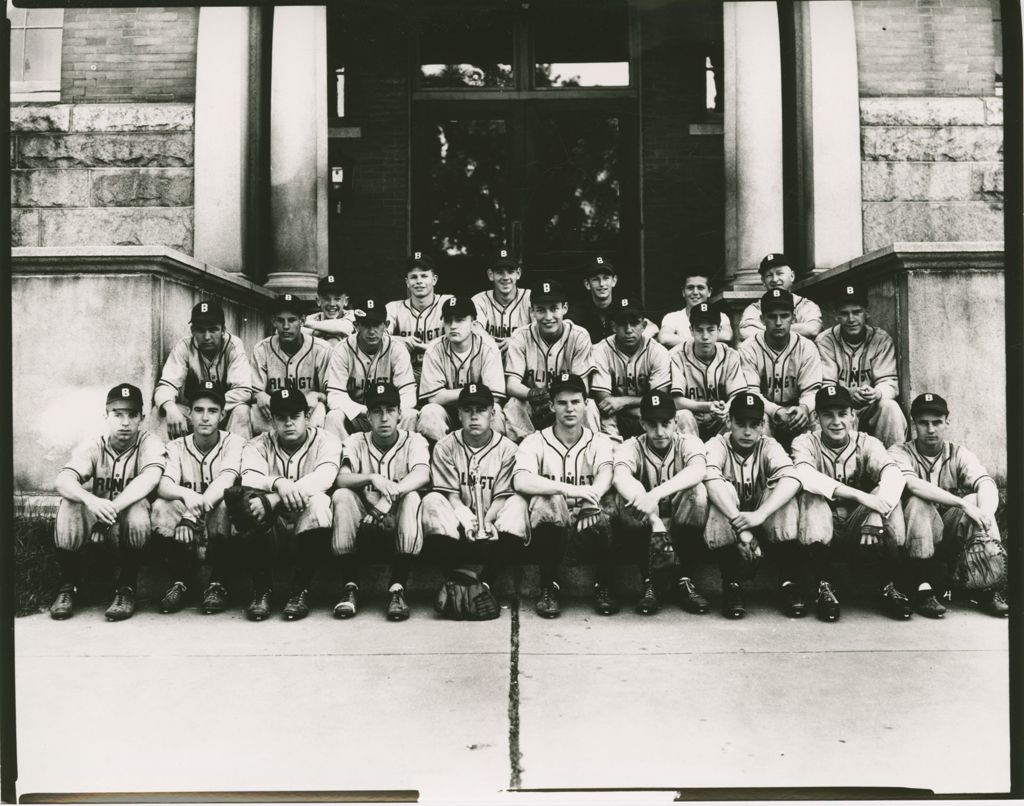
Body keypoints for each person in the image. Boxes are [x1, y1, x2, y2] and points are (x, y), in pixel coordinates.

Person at [793, 384, 912, 622]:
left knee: (890, 499)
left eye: (842, 414)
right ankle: (823, 586)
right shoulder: (804, 442)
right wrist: (860, 496)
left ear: (853, 416)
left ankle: (888, 586)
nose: (836, 421)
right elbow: (805, 475)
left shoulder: (868, 442)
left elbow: (894, 474)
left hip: (862, 528)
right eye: (828, 414)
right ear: (817, 418)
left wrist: (876, 510)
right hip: (826, 525)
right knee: (811, 497)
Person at [49, 383, 166, 621]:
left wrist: (109, 511)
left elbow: (150, 478)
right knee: (71, 502)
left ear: (141, 418)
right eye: (117, 414)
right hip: (96, 533)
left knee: (137, 506)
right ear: (106, 415)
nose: (125, 422)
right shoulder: (95, 443)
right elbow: (63, 480)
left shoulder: (149, 442)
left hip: (128, 532)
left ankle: (127, 587)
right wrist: (90, 500)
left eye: (132, 415)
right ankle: (67, 586)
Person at [888, 393, 1007, 618]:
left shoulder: (959, 453)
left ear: (947, 422)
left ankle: (987, 587)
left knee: (977, 502)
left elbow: (986, 483)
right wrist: (962, 504)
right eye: (923, 423)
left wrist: (986, 515)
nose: (930, 429)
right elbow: (914, 485)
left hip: (949, 535)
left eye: (937, 422)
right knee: (918, 503)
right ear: (914, 424)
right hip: (914, 538)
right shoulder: (899, 452)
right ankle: (922, 587)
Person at [510, 372, 617, 618]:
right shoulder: (535, 441)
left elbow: (607, 472)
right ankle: (549, 586)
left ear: (586, 405)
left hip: (589, 526)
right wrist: (568, 489)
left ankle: (604, 585)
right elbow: (520, 479)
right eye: (562, 402)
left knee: (610, 504)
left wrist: (592, 498)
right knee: (547, 499)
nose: (569, 409)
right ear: (551, 405)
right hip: (552, 529)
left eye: (575, 402)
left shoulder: (599, 441)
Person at [233, 387, 342, 622]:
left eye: (295, 416)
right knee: (246, 502)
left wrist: (274, 497)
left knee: (321, 502)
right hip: (274, 529)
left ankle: (299, 589)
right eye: (281, 417)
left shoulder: (327, 441)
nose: (289, 423)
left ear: (307, 416)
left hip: (308, 529)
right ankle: (262, 589)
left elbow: (325, 477)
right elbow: (250, 477)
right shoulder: (257, 444)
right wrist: (279, 483)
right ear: (272, 420)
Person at [331, 382, 432, 621]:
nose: (384, 418)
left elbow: (422, 474)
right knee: (341, 496)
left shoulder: (415, 440)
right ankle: (350, 587)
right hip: (363, 527)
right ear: (368, 416)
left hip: (399, 526)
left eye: (390, 410)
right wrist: (372, 478)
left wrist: (389, 496)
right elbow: (341, 479)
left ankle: (398, 588)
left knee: (412, 496)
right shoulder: (356, 441)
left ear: (400, 413)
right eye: (377, 411)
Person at [700, 393, 805, 619]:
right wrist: (743, 528)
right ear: (728, 422)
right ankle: (732, 583)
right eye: (740, 424)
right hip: (734, 526)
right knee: (720, 493)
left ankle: (789, 582)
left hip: (763, 522)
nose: (747, 432)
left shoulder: (769, 445)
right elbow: (708, 477)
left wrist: (761, 514)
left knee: (783, 495)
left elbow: (793, 479)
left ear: (763, 425)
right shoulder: (716, 444)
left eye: (754, 424)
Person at [150, 381, 245, 615]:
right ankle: (179, 581)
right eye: (199, 410)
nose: (205, 417)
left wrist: (191, 514)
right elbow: (163, 485)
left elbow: (226, 480)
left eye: (212, 411)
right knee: (163, 505)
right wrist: (187, 496)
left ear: (222, 415)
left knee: (225, 502)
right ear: (188, 414)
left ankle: (217, 583)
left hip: (214, 523)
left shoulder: (234, 443)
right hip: (186, 527)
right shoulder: (175, 446)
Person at [611, 391, 709, 615]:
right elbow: (620, 476)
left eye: (665, 423)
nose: (660, 431)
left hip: (680, 520)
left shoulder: (688, 442)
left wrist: (653, 495)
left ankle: (685, 579)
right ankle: (649, 583)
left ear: (675, 422)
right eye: (652, 424)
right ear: (642, 423)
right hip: (649, 526)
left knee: (698, 493)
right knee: (626, 499)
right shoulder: (631, 446)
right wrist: (653, 517)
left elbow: (698, 470)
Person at [420, 383, 520, 598]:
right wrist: (469, 521)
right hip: (458, 531)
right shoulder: (445, 446)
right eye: (468, 410)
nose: (474, 416)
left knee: (519, 504)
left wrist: (486, 522)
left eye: (481, 410)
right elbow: (452, 497)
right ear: (458, 414)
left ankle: (485, 584)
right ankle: (454, 581)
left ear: (492, 414)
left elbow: (503, 498)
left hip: (495, 534)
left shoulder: (508, 449)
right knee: (432, 500)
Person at [503, 279, 600, 441]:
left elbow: (582, 388)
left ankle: (587, 449)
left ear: (565, 308)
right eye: (541, 310)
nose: (548, 317)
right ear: (532, 312)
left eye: (554, 308)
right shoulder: (520, 336)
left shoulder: (579, 336)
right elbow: (512, 384)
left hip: (565, 402)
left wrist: (554, 399)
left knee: (588, 406)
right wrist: (532, 393)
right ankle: (523, 452)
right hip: (534, 405)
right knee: (514, 405)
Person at [815, 283, 907, 447]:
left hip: (870, 409)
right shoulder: (825, 341)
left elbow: (890, 382)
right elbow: (825, 386)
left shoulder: (881, 339)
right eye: (844, 313)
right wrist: (846, 394)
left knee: (890, 407)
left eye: (856, 312)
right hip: (838, 410)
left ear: (867, 313)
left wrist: (876, 393)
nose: (851, 319)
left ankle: (894, 463)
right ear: (836, 316)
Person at [151, 300, 252, 440]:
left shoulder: (233, 346)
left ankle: (237, 459)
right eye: (201, 330)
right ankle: (158, 461)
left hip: (223, 411)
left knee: (242, 410)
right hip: (193, 413)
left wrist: (211, 407)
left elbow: (243, 390)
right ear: (192, 330)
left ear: (223, 330)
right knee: (159, 412)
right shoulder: (184, 347)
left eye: (213, 329)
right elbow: (166, 385)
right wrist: (170, 407)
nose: (207, 336)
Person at [738, 289, 822, 449]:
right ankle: (764, 468)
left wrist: (804, 408)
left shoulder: (807, 347)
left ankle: (815, 466)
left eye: (784, 316)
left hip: (797, 410)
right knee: (757, 416)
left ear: (793, 318)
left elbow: (812, 391)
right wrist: (776, 411)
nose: (778, 322)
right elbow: (750, 393)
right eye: (772, 316)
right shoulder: (748, 348)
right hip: (765, 409)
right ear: (762, 319)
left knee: (816, 415)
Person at [325, 295, 418, 439]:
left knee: (410, 414)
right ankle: (344, 459)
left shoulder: (397, 349)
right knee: (333, 417)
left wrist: (387, 413)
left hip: (388, 417)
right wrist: (366, 411)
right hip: (357, 417)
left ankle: (400, 455)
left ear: (386, 325)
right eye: (366, 324)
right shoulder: (342, 349)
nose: (372, 330)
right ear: (356, 326)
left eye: (376, 324)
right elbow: (335, 396)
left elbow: (408, 395)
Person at [417, 296, 507, 442]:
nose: (453, 326)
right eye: (448, 320)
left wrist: (451, 395)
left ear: (474, 324)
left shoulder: (489, 348)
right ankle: (438, 457)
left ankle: (490, 459)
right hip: (448, 413)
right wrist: (476, 390)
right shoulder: (434, 349)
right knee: (430, 412)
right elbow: (434, 398)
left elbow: (494, 396)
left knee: (495, 411)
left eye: (459, 319)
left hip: (478, 411)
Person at [590, 297, 672, 442]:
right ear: (613, 326)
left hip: (648, 414)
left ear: (644, 325)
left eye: (634, 323)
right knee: (600, 414)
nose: (628, 330)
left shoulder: (658, 352)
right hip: (615, 416)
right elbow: (604, 401)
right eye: (622, 324)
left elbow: (659, 399)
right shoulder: (600, 350)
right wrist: (630, 405)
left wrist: (623, 401)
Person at [250, 293, 333, 435]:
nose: (286, 326)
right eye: (280, 320)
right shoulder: (262, 349)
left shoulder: (321, 349)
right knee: (252, 411)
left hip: (305, 413)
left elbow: (332, 394)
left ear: (302, 320)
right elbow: (252, 390)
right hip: (275, 414)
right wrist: (258, 395)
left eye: (292, 320)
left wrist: (318, 395)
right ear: (274, 321)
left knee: (319, 409)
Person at [669, 302, 748, 440]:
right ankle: (691, 457)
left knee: (739, 414)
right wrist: (707, 406)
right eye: (699, 330)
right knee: (682, 415)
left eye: (711, 329)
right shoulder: (676, 355)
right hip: (690, 423)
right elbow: (676, 401)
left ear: (719, 329)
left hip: (720, 422)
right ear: (691, 330)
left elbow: (738, 395)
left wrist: (725, 409)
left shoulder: (730, 355)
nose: (705, 336)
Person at [386, 251, 455, 378]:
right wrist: (399, 340)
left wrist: (425, 347)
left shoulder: (448, 302)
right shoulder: (393, 307)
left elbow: (463, 336)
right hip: (405, 374)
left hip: (442, 373)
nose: (419, 281)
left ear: (434, 280)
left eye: (424, 276)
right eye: (413, 277)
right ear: (407, 282)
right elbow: (378, 337)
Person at [567, 255, 659, 343]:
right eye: (595, 279)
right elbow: (566, 326)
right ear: (587, 284)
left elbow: (652, 328)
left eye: (606, 278)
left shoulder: (622, 306)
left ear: (614, 281)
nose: (602, 284)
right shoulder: (580, 310)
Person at [738, 253, 823, 342]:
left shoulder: (805, 305)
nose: (774, 279)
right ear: (763, 281)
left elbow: (813, 330)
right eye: (769, 275)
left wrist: (768, 329)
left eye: (780, 273)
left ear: (792, 276)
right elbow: (745, 332)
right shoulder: (755, 308)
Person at [471, 249, 532, 355]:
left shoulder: (530, 298)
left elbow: (540, 331)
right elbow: (475, 330)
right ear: (491, 275)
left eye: (510, 272)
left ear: (518, 273)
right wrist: (489, 342)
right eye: (499, 272)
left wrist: (516, 342)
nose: (505, 277)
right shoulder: (479, 300)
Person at [658, 272, 733, 348]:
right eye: (690, 288)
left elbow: (726, 335)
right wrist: (699, 342)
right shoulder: (673, 317)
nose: (695, 292)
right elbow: (664, 337)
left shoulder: (720, 316)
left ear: (709, 292)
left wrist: (688, 341)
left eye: (700, 288)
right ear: (683, 292)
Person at [303, 273, 356, 345]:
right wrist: (315, 332)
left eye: (337, 299)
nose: (332, 304)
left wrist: (305, 324)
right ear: (318, 301)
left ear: (345, 301)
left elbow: (344, 328)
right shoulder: (313, 318)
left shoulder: (352, 315)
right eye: (326, 299)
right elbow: (297, 330)